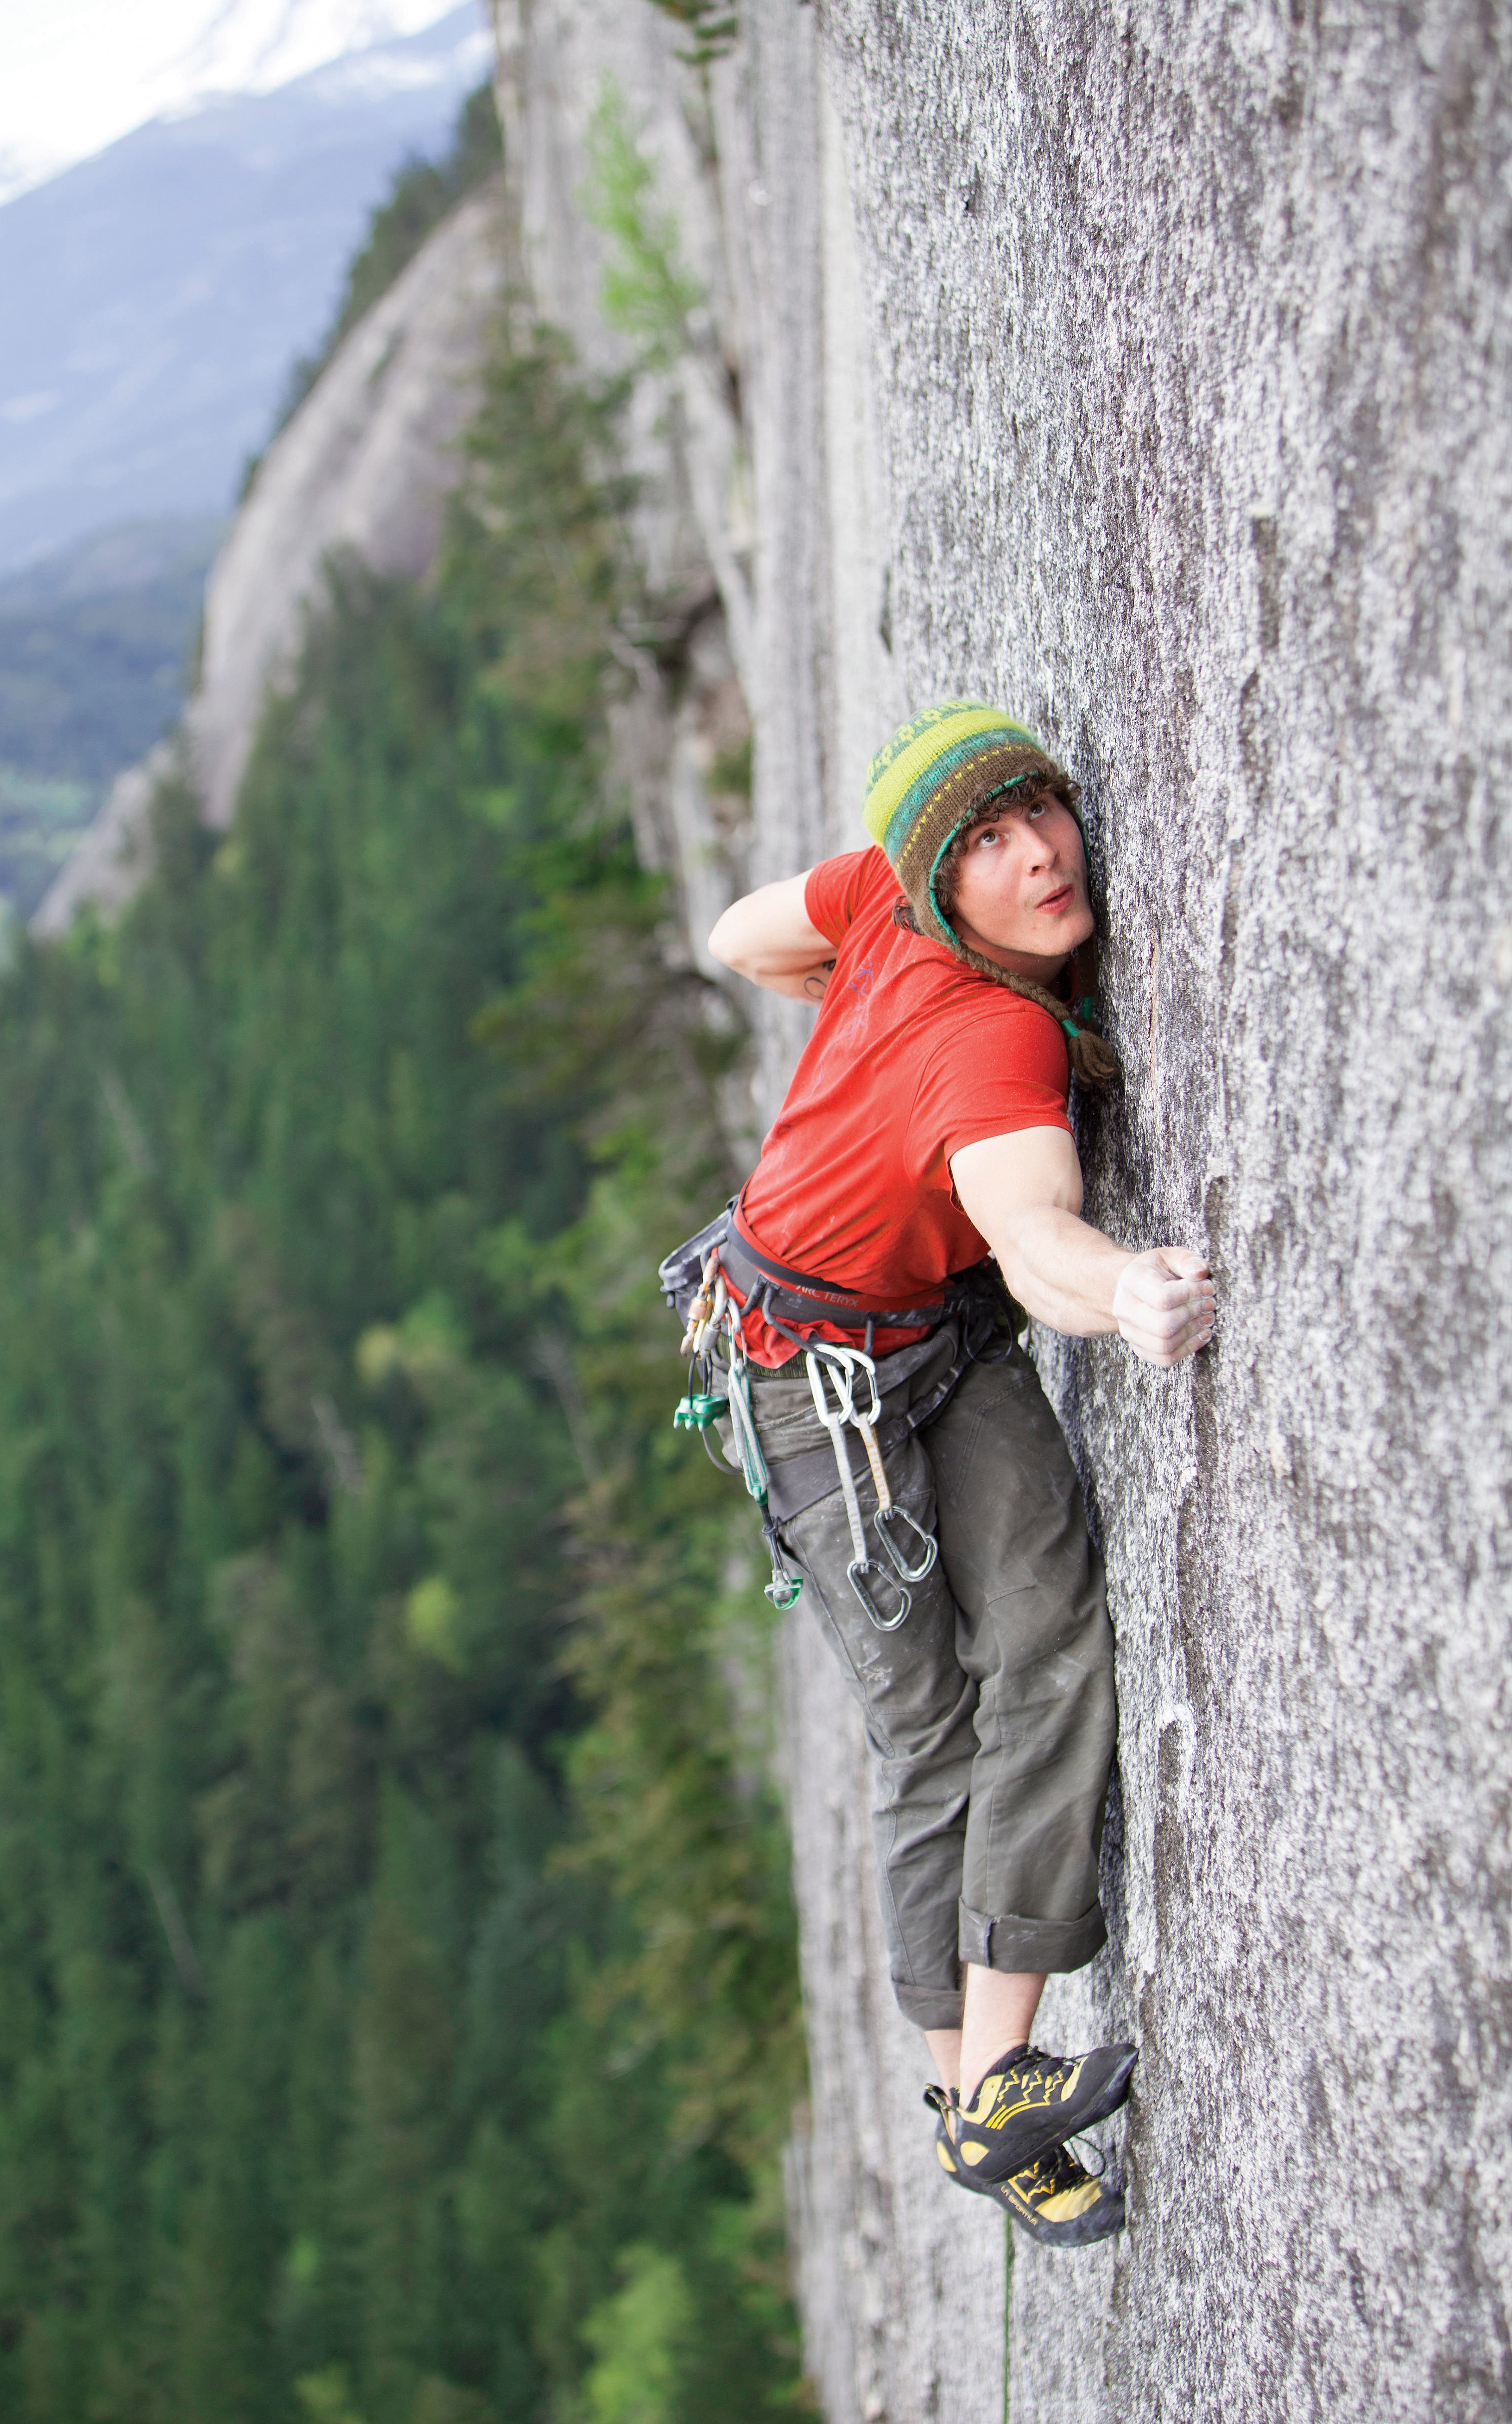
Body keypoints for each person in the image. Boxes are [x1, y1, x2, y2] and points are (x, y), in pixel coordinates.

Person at [703, 701, 1214, 2248]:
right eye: (984, 844)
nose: (1037, 857)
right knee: (931, 1724)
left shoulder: (877, 903)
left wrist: (848, 968)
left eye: (1038, 811)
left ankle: (989, 2093)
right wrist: (1125, 1295)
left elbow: (741, 936)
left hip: (925, 1326)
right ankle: (984, 2096)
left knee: (1051, 1642)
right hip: (811, 1385)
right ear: (940, 880)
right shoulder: (985, 1020)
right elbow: (1040, 1239)